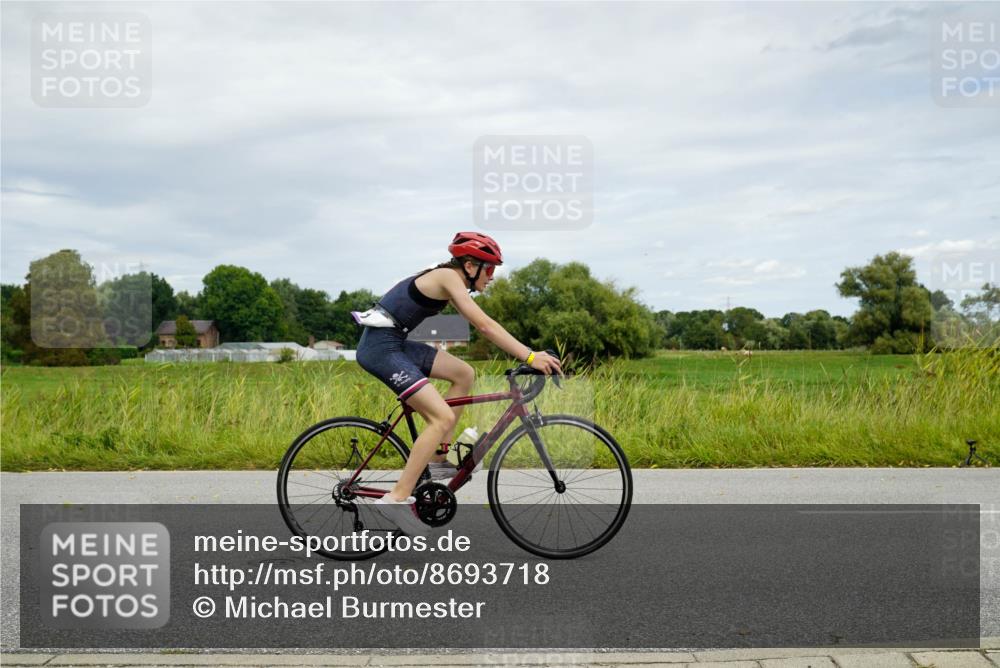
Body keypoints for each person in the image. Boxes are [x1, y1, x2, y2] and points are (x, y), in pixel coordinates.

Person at [354, 232, 561, 535]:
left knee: (464, 374)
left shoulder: (451, 279)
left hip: (396, 343)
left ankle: (438, 460)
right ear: (469, 264)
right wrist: (530, 358)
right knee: (442, 417)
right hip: (381, 349)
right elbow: (484, 325)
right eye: (489, 269)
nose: (491, 277)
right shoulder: (448, 277)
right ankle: (396, 498)